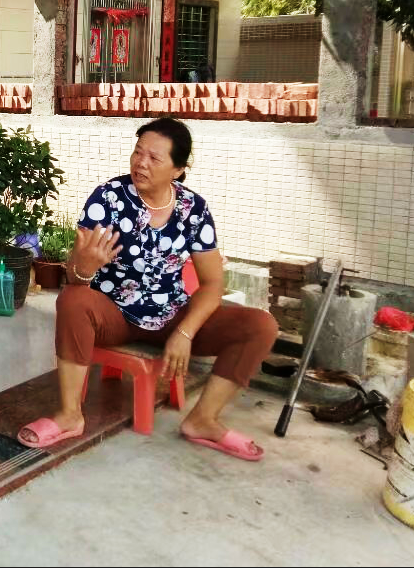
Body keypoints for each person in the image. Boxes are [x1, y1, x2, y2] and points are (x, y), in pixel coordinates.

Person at [17, 117, 278, 460]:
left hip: (173, 314)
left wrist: (184, 333)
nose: (141, 163)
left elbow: (213, 284)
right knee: (73, 299)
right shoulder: (108, 198)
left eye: (154, 158)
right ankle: (69, 415)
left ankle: (203, 420)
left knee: (261, 325)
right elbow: (75, 277)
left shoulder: (194, 210)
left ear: (178, 169)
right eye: (138, 152)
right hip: (114, 315)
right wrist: (85, 267)